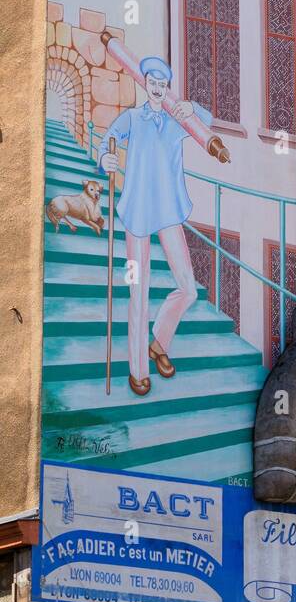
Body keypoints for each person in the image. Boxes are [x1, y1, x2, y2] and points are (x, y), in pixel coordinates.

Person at [98, 57, 209, 397]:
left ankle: (159, 342)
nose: (158, 87)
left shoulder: (177, 122)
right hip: (137, 217)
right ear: (145, 83)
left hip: (168, 214)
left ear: (167, 88)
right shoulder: (133, 117)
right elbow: (109, 138)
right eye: (153, 81)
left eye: (164, 83)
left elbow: (206, 121)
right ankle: (138, 371)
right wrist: (106, 159)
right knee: (138, 294)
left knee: (188, 288)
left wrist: (192, 107)